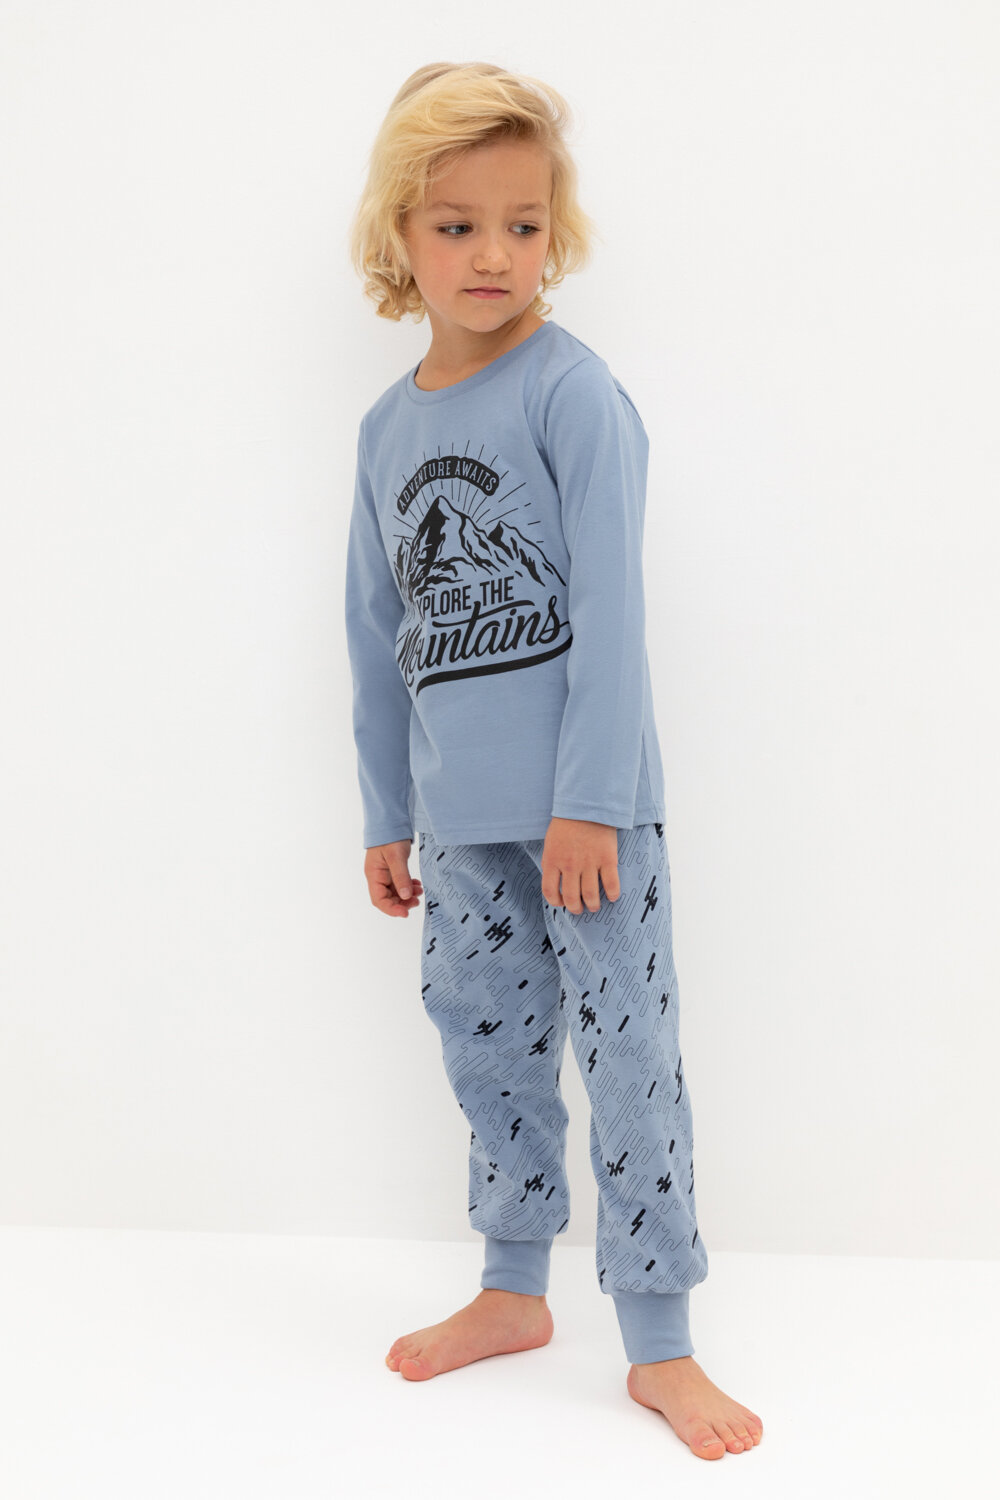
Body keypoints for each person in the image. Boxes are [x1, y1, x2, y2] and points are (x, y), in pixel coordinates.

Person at [344, 61, 763, 1461]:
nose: (493, 255)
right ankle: (513, 1288)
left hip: (591, 818)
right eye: (457, 224)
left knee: (629, 1057)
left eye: (523, 225)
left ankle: (661, 1342)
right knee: (487, 1049)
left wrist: (590, 802)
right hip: (459, 824)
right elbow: (374, 635)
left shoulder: (574, 395)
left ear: (555, 233)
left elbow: (616, 618)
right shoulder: (386, 432)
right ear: (401, 235)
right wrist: (388, 811)